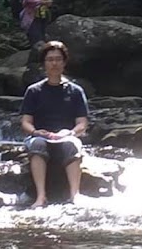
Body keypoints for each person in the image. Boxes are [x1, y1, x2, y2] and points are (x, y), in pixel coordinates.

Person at [20, 40, 89, 207]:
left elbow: (82, 123)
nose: (54, 63)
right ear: (44, 63)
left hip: (66, 136)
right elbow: (25, 122)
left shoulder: (75, 91)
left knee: (71, 145)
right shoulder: (34, 91)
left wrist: (71, 133)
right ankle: (41, 196)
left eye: (58, 59)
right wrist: (36, 132)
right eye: (50, 59)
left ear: (64, 63)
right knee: (37, 145)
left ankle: (75, 195)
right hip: (41, 136)